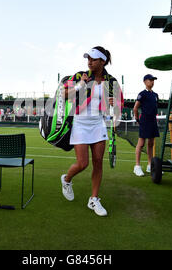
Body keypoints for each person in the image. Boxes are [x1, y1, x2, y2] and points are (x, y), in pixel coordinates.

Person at [60, 46, 123, 217]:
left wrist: (113, 102)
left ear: (102, 61)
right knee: (83, 164)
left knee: (97, 162)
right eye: (88, 58)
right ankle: (66, 180)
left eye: (93, 59)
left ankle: (94, 199)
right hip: (80, 123)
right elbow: (63, 94)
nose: (89, 62)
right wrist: (80, 86)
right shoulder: (80, 76)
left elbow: (118, 104)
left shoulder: (111, 81)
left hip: (98, 124)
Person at [133, 75, 160, 177]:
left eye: (153, 80)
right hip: (144, 120)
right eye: (150, 80)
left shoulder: (155, 95)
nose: (152, 82)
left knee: (151, 143)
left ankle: (150, 165)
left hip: (153, 120)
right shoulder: (142, 94)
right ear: (145, 82)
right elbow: (135, 108)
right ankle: (137, 166)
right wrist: (137, 120)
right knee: (141, 143)